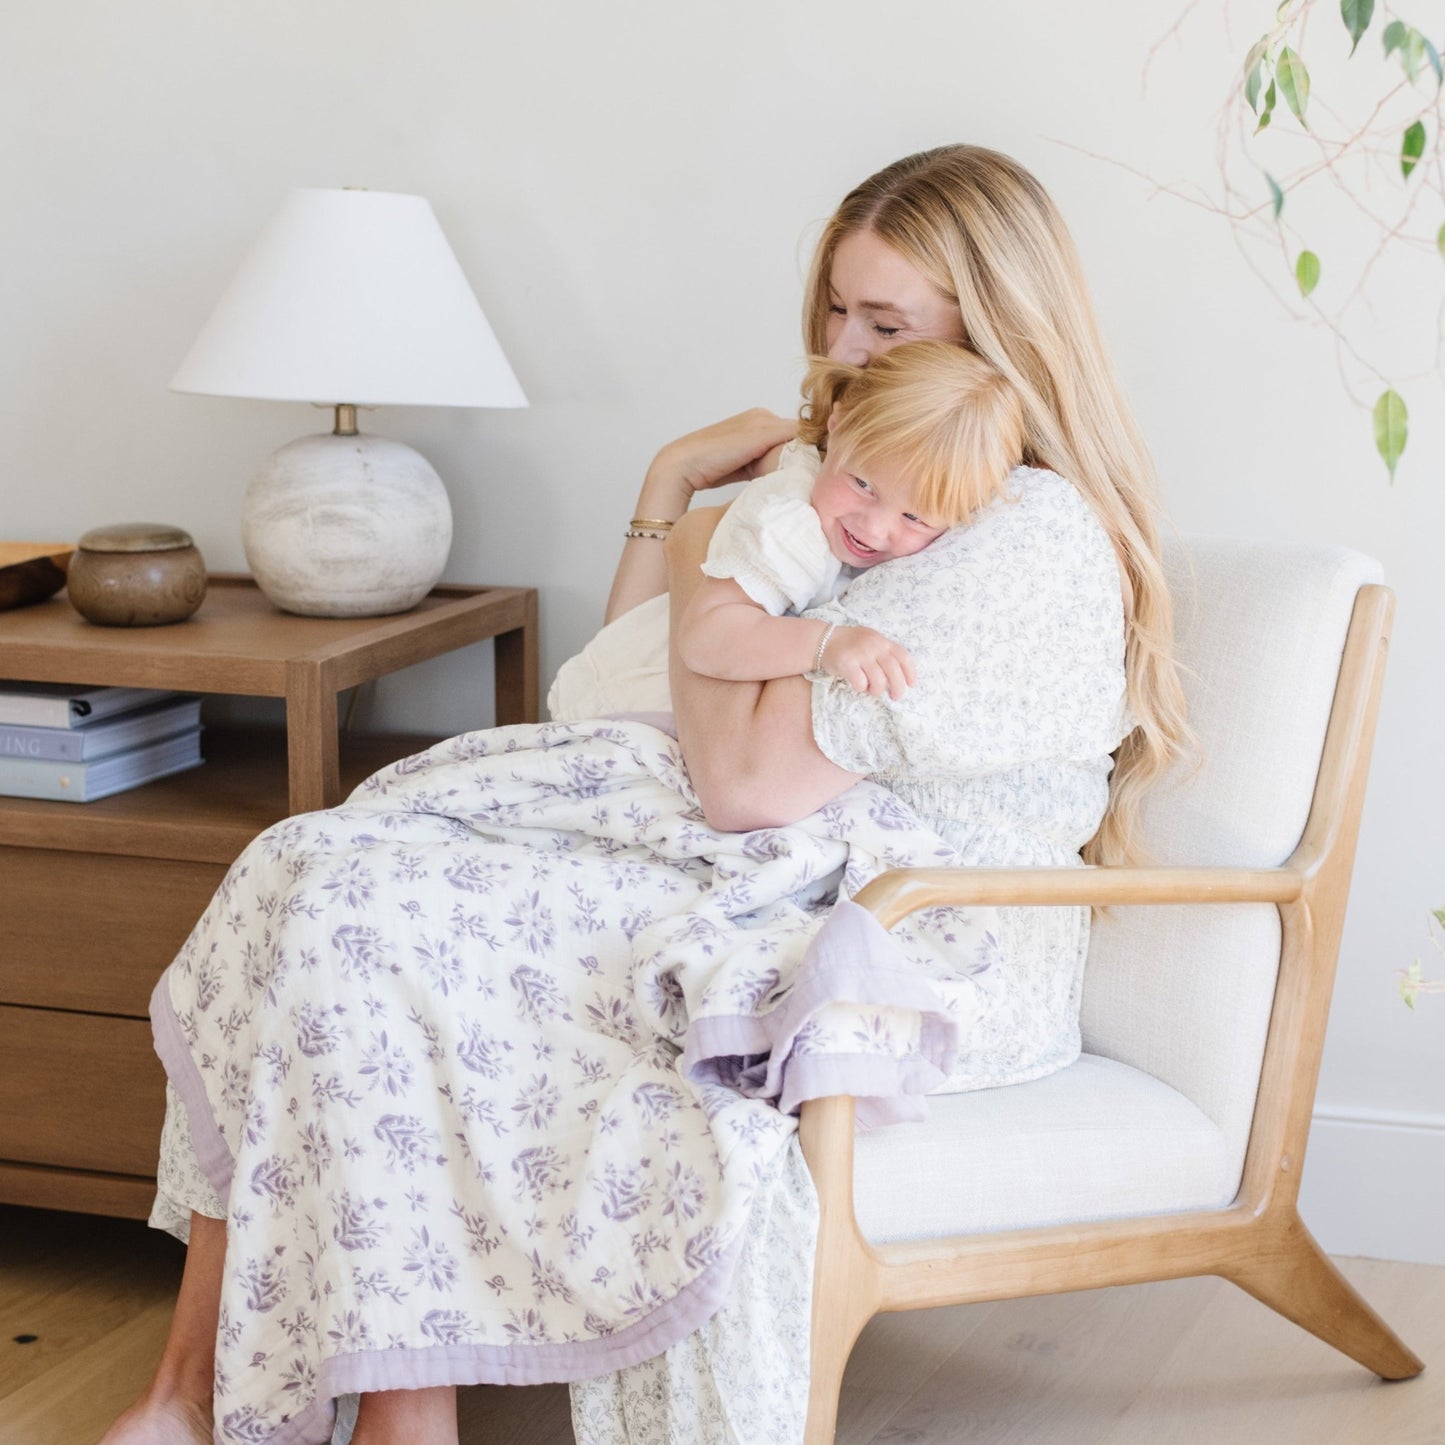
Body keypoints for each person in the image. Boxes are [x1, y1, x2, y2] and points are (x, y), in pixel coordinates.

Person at [101, 143, 1188, 1445]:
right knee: (315, 874)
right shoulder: (857, 478)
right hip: (735, 861)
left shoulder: (1011, 532)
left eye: (883, 323)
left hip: (909, 937)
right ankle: (212, 1397)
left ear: (994, 337)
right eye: (833, 312)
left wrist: (705, 567)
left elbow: (740, 777)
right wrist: (667, 492)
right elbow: (608, 694)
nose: (840, 351)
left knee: (380, 922)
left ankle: (358, 1412)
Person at [547, 341, 1025, 720]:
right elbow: (708, 636)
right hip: (618, 702)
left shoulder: (847, 497)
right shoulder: (792, 525)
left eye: (915, 518)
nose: (874, 528)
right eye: (863, 484)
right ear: (836, 428)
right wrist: (828, 645)